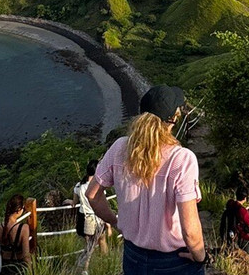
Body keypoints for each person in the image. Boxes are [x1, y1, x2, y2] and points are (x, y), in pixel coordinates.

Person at [86, 85, 206, 274]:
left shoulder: (120, 148)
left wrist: (116, 223)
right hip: (174, 261)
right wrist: (200, 256)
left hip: (133, 256)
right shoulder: (182, 159)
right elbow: (190, 232)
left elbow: (92, 195)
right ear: (173, 119)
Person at [73, 159, 108, 274]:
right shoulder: (98, 186)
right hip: (97, 217)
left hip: (84, 218)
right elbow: (103, 204)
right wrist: (108, 222)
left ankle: (84, 268)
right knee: (101, 241)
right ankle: (104, 263)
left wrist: (68, 202)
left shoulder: (79, 186)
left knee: (88, 245)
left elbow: (74, 202)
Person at [0, 193, 32, 274]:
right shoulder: (24, 228)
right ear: (19, 210)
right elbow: (26, 256)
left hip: (4, 269)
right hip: (19, 269)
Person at [218, 186, 249, 252]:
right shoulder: (243, 211)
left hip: (229, 233)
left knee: (230, 252)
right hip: (241, 236)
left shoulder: (230, 203)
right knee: (246, 256)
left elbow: (235, 211)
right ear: (245, 198)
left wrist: (245, 210)